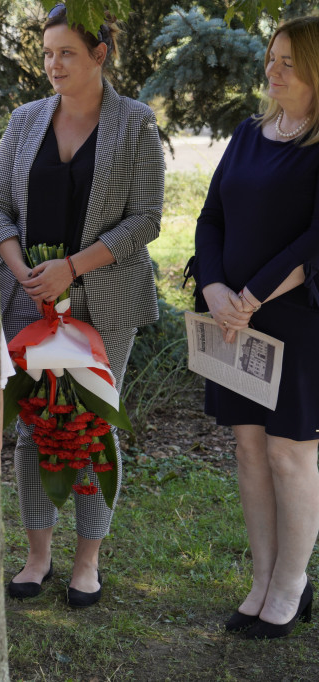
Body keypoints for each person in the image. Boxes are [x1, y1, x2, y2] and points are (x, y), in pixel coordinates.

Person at [0, 4, 164, 607]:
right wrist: (25, 273)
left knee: (89, 427)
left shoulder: (136, 123)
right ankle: (37, 555)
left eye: (66, 52)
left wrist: (72, 266)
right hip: (25, 300)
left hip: (104, 300)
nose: (52, 64)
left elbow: (146, 218)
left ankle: (86, 561)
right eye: (46, 53)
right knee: (34, 427)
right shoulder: (24, 120)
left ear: (100, 53)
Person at [193, 16, 319, 639]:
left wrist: (251, 295)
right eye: (272, 57)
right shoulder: (248, 134)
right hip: (232, 319)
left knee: (288, 453)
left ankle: (294, 585)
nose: (273, 68)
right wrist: (216, 289)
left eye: (288, 61)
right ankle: (264, 577)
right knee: (247, 447)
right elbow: (211, 216)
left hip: (296, 320)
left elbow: (315, 240)